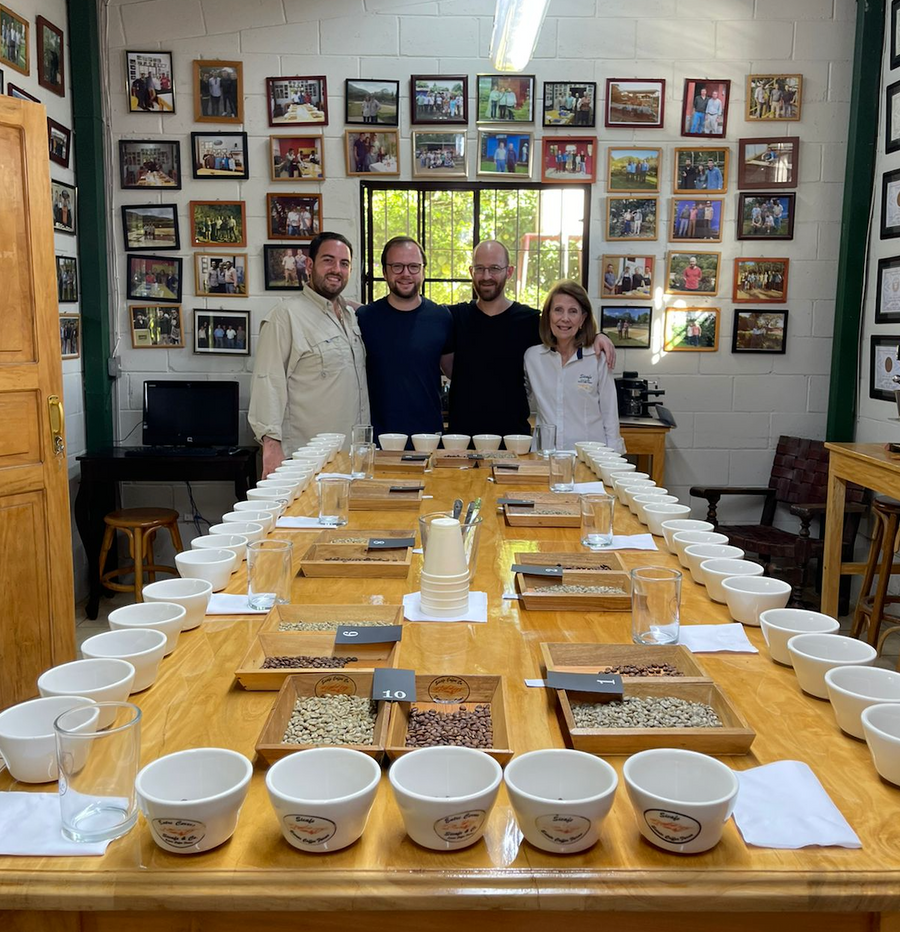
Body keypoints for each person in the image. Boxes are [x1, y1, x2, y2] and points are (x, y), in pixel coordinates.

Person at [444, 240, 615, 438]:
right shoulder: (453, 317)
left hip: (513, 440)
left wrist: (599, 336)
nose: (486, 276)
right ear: (471, 271)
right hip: (462, 440)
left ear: (509, 272)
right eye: (480, 269)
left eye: (495, 268)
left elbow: (566, 329)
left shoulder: (531, 321)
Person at [249, 232, 369, 478]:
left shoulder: (350, 317)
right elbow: (268, 383)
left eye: (344, 263)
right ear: (310, 264)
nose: (336, 269)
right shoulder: (285, 317)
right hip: (305, 460)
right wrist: (271, 448)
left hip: (349, 458)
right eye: (328, 260)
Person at [356, 236, 453, 442]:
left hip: (428, 438)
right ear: (384, 272)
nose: (406, 273)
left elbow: (453, 372)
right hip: (379, 439)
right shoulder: (365, 319)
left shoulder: (441, 317)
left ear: (423, 271)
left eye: (413, 266)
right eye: (397, 266)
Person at [524, 280, 623, 453]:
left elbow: (610, 413)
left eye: (573, 311)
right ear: (548, 315)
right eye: (558, 310)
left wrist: (613, 458)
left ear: (583, 318)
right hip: (545, 457)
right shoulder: (533, 357)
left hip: (588, 458)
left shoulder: (597, 357)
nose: (565, 318)